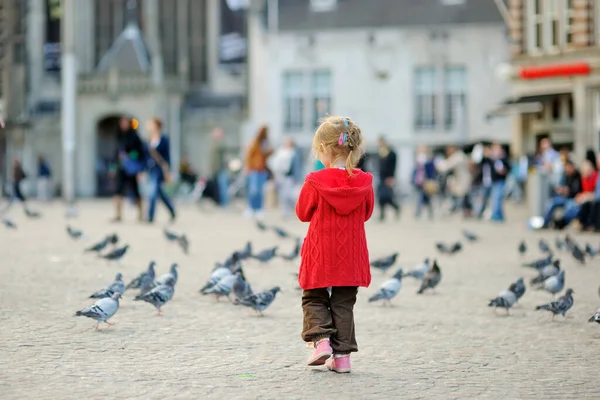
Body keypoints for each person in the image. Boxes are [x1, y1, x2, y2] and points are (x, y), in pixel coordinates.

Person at [296, 115, 374, 374]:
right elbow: (366, 213)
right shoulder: (364, 182)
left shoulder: (315, 181)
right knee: (343, 302)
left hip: (321, 251)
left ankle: (321, 342)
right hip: (350, 253)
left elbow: (303, 213)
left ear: (323, 150)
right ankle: (342, 359)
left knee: (314, 296)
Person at [112, 116, 145, 222]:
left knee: (135, 191)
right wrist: (112, 167)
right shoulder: (119, 136)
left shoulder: (134, 137)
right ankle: (118, 215)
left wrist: (131, 156)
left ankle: (140, 214)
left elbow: (140, 152)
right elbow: (116, 153)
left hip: (132, 169)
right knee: (118, 190)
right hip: (122, 167)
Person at [145, 117, 176, 223]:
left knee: (152, 193)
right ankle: (172, 210)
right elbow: (146, 156)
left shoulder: (164, 140)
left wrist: (168, 170)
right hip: (151, 169)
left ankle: (150, 216)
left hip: (159, 170)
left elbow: (167, 157)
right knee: (160, 194)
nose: (148, 126)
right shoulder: (149, 140)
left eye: (150, 124)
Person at [269, 137, 303, 218]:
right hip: (281, 177)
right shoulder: (281, 152)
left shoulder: (294, 154)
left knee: (290, 195)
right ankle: (285, 212)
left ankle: (293, 210)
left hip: (290, 178)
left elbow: (296, 167)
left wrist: (297, 179)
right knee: (283, 195)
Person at [542, 159, 581, 228]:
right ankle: (546, 223)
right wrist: (561, 190)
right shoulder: (566, 175)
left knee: (569, 208)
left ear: (572, 167)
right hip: (564, 197)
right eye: (565, 168)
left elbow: (576, 191)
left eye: (568, 168)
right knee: (551, 203)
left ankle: (561, 224)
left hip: (573, 198)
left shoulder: (577, 176)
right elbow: (561, 187)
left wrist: (567, 191)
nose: (567, 170)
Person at [244, 125, 273, 220]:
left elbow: (264, 156)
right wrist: (248, 168)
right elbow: (249, 156)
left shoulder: (264, 143)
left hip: (262, 170)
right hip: (254, 170)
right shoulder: (255, 143)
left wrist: (270, 151)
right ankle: (251, 208)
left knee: (260, 191)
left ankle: (259, 209)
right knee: (253, 190)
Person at [436, 145, 472, 217]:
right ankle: (465, 211)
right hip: (462, 180)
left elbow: (446, 166)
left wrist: (437, 165)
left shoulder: (458, 156)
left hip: (463, 180)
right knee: (464, 197)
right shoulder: (460, 155)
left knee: (461, 197)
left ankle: (461, 212)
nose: (447, 152)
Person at [376, 136, 400, 221]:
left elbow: (393, 166)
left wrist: (391, 177)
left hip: (388, 177)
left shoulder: (391, 153)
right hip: (381, 177)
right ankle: (382, 215)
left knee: (387, 196)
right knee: (381, 197)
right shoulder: (381, 152)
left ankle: (396, 207)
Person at [411, 145, 436, 219]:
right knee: (421, 196)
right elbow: (416, 171)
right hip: (420, 181)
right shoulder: (419, 158)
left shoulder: (428, 159)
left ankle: (420, 212)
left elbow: (430, 170)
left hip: (427, 181)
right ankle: (420, 212)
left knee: (426, 197)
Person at [489, 142, 510, 222]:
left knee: (497, 198)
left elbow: (507, 169)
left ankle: (497, 216)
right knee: (495, 199)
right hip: (495, 181)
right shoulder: (493, 159)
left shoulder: (503, 159)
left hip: (500, 181)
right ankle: (498, 215)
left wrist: (504, 171)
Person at [476, 145, 493, 219]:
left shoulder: (491, 161)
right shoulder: (482, 162)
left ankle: (489, 213)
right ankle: (480, 213)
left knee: (491, 199)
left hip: (491, 183)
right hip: (484, 183)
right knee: (483, 199)